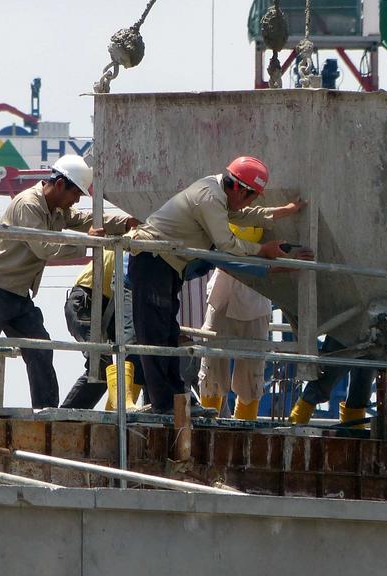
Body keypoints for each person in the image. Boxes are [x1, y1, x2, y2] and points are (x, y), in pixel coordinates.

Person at [0, 154, 137, 408]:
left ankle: (46, 412)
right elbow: (45, 248)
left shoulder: (56, 208)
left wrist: (125, 224)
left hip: (17, 293)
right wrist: (89, 244)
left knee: (40, 349)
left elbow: (85, 221)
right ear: (59, 185)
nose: (76, 200)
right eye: (75, 194)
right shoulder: (29, 204)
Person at [127, 156, 311, 416]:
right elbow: (227, 245)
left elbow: (244, 215)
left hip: (167, 264)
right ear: (237, 187)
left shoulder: (219, 194)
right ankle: (164, 404)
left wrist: (283, 212)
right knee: (155, 335)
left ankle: (178, 400)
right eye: (251, 196)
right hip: (152, 260)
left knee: (168, 334)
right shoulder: (209, 198)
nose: (251, 203)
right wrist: (263, 251)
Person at [198, 224, 300, 420]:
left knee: (252, 377)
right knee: (212, 369)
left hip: (256, 300)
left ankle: (245, 429)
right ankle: (205, 426)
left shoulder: (265, 217)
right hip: (223, 297)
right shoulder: (226, 209)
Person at [58, 249, 145, 410]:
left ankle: (114, 410)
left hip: (110, 305)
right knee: (101, 363)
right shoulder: (130, 240)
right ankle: (70, 415)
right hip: (86, 300)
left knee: (131, 357)